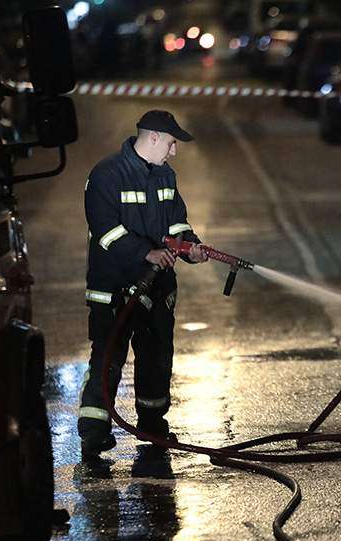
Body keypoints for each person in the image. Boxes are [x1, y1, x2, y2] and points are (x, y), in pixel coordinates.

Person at [78, 110, 208, 458]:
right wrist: (146, 254)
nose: (173, 151)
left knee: (156, 356)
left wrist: (190, 246)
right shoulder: (106, 175)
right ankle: (94, 432)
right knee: (108, 356)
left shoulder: (166, 176)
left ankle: (153, 427)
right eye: (170, 143)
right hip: (115, 287)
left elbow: (176, 222)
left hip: (156, 287)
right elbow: (106, 231)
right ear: (153, 138)